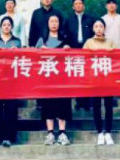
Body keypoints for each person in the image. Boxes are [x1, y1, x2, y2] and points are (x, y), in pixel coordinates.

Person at [0, 16, 22, 148]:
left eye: (9, 25)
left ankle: (8, 137)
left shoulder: (17, 41)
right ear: (1, 27)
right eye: (4, 25)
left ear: (12, 27)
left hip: (11, 79)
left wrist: (16, 52)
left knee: (10, 109)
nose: (6, 27)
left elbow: (22, 58)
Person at [37, 14, 71, 146]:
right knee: (48, 105)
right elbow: (34, 56)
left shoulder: (65, 38)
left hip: (62, 77)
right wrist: (40, 50)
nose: (54, 24)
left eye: (56, 21)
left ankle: (62, 133)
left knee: (63, 104)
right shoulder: (42, 40)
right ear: (47, 23)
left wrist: (67, 50)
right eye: (51, 21)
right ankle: (50, 133)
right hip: (47, 77)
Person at [83, 18, 116, 145]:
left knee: (108, 106)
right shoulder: (89, 42)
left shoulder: (111, 42)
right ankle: (99, 132)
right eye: (96, 26)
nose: (98, 28)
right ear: (93, 29)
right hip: (94, 78)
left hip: (108, 78)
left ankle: (108, 132)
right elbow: (83, 58)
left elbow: (118, 59)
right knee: (96, 106)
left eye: (101, 26)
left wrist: (112, 53)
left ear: (104, 28)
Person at [64, 0, 94, 112]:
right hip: (74, 50)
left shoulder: (90, 19)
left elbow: (94, 33)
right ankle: (79, 101)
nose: (78, 5)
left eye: (80, 3)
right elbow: (65, 35)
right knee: (77, 75)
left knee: (88, 76)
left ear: (84, 6)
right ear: (73, 7)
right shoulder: (68, 20)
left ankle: (87, 102)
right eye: (76, 4)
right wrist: (67, 44)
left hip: (88, 50)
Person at [101, 0, 120, 108]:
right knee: (109, 76)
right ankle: (112, 99)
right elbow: (100, 34)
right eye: (109, 4)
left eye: (113, 3)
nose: (111, 5)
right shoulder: (103, 19)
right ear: (106, 6)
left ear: (116, 6)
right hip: (108, 51)